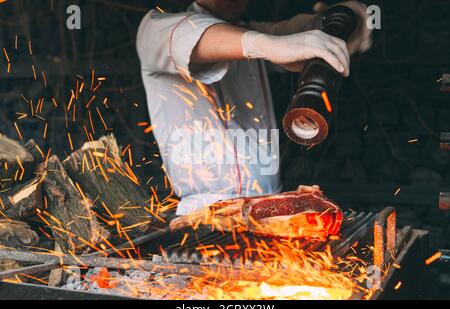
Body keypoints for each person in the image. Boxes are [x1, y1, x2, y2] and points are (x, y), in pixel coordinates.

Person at [136, 0, 372, 216]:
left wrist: (349, 16)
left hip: (271, 209)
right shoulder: (155, 29)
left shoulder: (257, 33)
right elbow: (194, 35)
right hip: (205, 216)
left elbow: (300, 32)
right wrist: (268, 46)